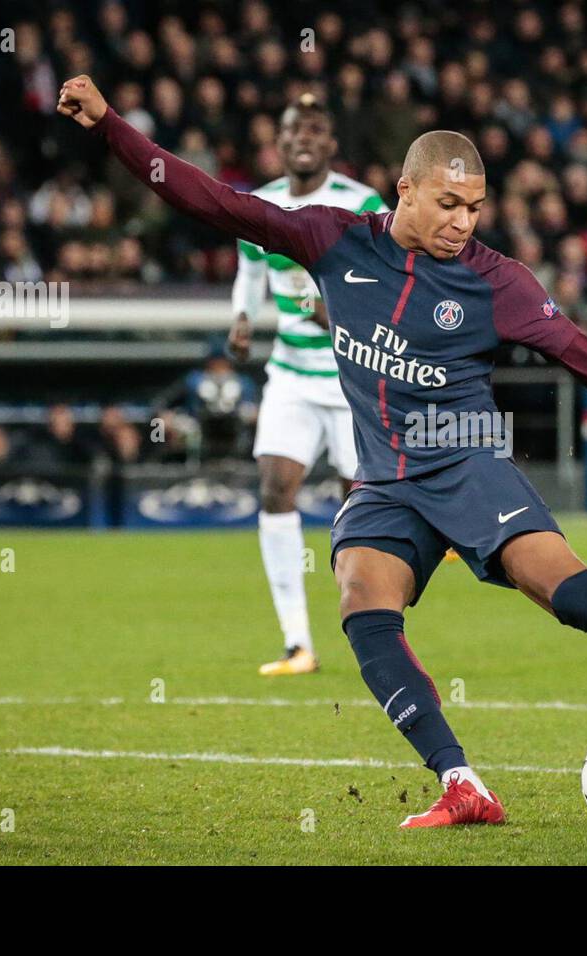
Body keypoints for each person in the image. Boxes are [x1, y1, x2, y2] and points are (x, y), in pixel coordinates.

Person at [58, 75, 587, 830]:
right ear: (404, 189)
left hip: (465, 461)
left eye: (474, 207)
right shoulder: (331, 240)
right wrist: (110, 126)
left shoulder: (498, 283)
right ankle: (461, 783)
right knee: (363, 604)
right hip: (387, 481)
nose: (464, 222)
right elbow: (212, 199)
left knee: (571, 596)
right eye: (448, 203)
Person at [229, 94, 386, 676]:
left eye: (314, 130)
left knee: (367, 504)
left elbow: (386, 277)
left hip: (351, 380)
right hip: (291, 374)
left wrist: (343, 312)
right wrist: (242, 317)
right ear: (280, 139)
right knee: (274, 488)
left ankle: (374, 625)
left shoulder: (361, 202)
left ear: (330, 144)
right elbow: (249, 269)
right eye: (292, 128)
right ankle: (297, 643)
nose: (302, 138)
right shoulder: (261, 203)